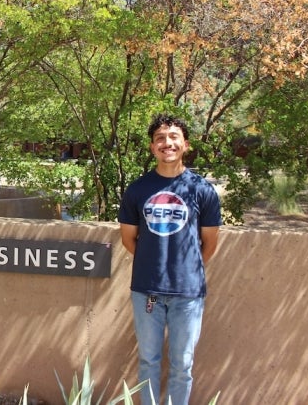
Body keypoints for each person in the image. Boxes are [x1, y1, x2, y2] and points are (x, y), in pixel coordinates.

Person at [118, 113, 222, 405]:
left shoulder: (201, 189)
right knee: (148, 361)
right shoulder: (138, 190)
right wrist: (155, 264)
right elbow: (129, 239)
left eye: (173, 137)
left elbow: (210, 243)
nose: (167, 143)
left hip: (188, 294)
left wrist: (183, 269)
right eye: (160, 138)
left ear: (185, 144)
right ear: (152, 147)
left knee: (183, 366)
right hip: (146, 291)